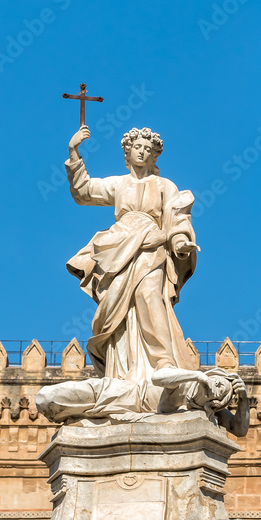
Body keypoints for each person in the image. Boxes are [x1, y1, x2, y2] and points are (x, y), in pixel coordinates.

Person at [65, 125, 199, 381]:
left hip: (151, 244)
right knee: (118, 306)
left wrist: (180, 243)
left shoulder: (164, 185)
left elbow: (178, 216)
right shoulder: (119, 184)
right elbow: (83, 192)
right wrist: (74, 152)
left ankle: (163, 361)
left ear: (154, 155)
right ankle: (125, 367)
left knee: (148, 294)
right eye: (137, 147)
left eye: (148, 149)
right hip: (118, 247)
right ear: (127, 152)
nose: (142, 152)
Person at [36, 367, 250, 437]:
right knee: (48, 398)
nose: (218, 386)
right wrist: (199, 376)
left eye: (222, 390)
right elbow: (159, 377)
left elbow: (239, 429)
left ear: (217, 401)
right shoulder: (186, 380)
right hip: (122, 393)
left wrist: (243, 399)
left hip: (131, 414)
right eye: (218, 380)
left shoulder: (204, 413)